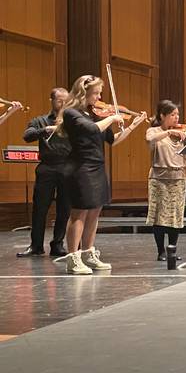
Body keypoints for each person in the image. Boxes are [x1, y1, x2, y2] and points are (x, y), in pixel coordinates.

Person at [53, 74, 147, 274]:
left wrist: (132, 125)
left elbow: (112, 140)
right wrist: (113, 116)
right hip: (80, 167)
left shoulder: (94, 114)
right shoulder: (71, 113)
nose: (99, 97)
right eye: (95, 93)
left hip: (96, 166)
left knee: (95, 211)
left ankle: (88, 253)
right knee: (79, 212)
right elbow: (91, 130)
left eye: (99, 93)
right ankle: (73, 257)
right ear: (83, 93)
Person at [19, 88, 71, 258]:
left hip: (67, 168)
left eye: (66, 100)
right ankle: (36, 245)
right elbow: (27, 136)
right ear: (52, 101)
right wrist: (45, 130)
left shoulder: (72, 122)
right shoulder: (40, 120)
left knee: (64, 209)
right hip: (47, 167)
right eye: (59, 100)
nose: (63, 104)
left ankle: (57, 244)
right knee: (40, 208)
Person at [145, 100, 186, 261]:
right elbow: (150, 139)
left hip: (178, 178)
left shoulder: (182, 133)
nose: (177, 118)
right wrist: (168, 133)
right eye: (172, 115)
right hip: (159, 179)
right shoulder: (154, 130)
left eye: (177, 114)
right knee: (160, 216)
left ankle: (172, 250)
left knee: (176, 216)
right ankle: (161, 251)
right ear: (162, 116)